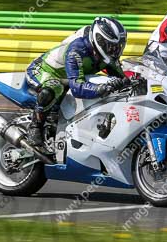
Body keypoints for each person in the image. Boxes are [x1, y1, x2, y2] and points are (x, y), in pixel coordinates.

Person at [26, 16, 130, 147]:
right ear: (100, 41)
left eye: (118, 47)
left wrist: (136, 81)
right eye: (111, 47)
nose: (114, 51)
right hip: (44, 71)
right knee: (54, 87)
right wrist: (102, 88)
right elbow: (77, 87)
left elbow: (124, 79)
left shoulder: (106, 56)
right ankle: (35, 127)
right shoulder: (77, 50)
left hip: (68, 79)